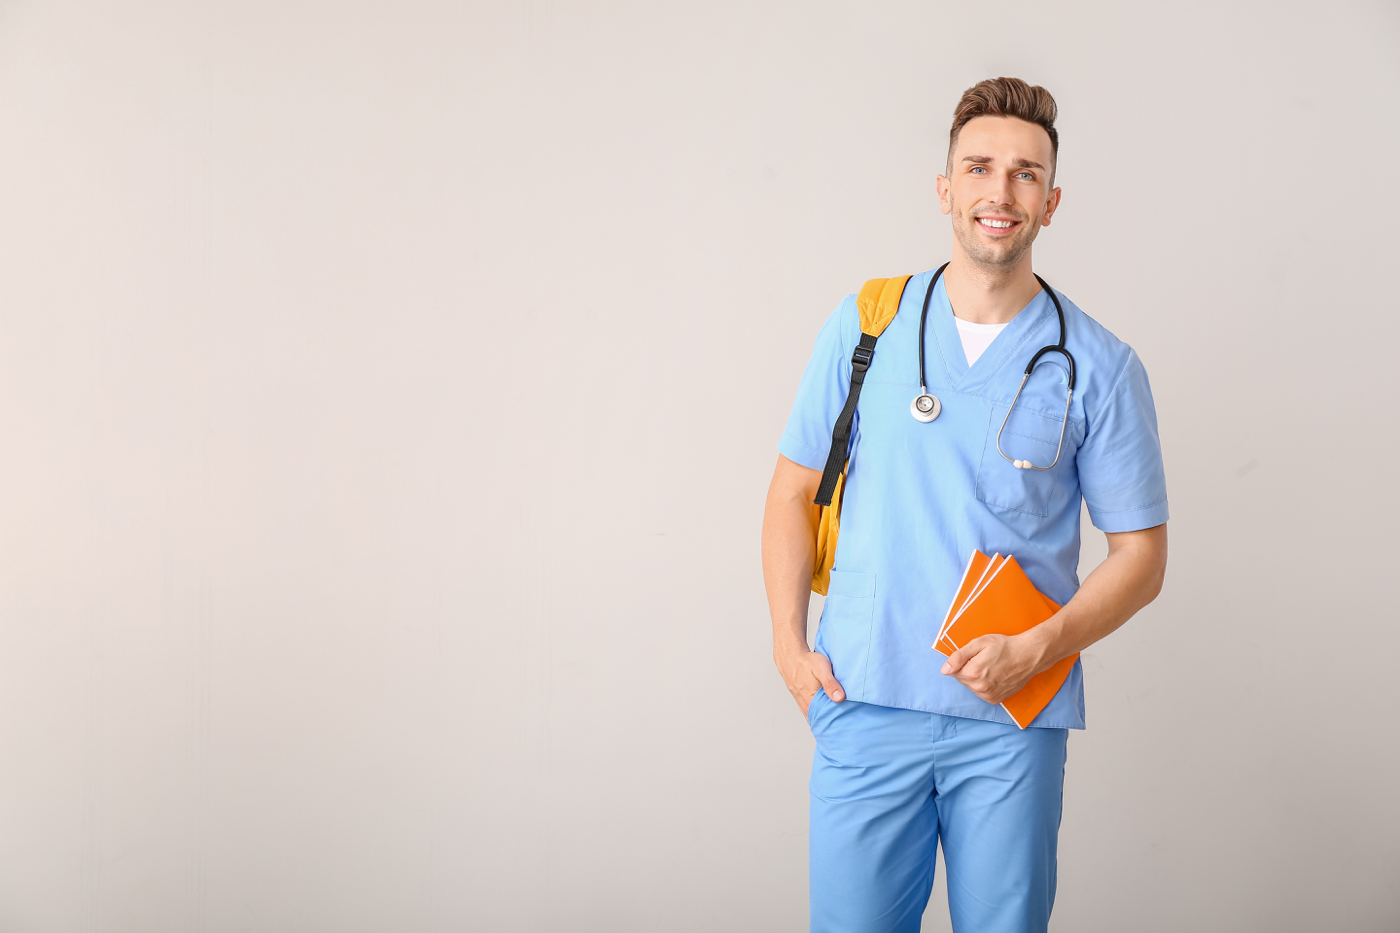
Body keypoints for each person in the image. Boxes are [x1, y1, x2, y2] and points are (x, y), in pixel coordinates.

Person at [760, 77, 1169, 933]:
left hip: (1009, 723)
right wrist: (790, 647)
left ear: (1051, 203)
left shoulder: (1099, 364)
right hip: (864, 702)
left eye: (1025, 174)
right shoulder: (865, 326)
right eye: (979, 167)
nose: (1000, 191)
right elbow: (794, 489)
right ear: (945, 188)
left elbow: (1141, 556)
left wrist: (1040, 646)